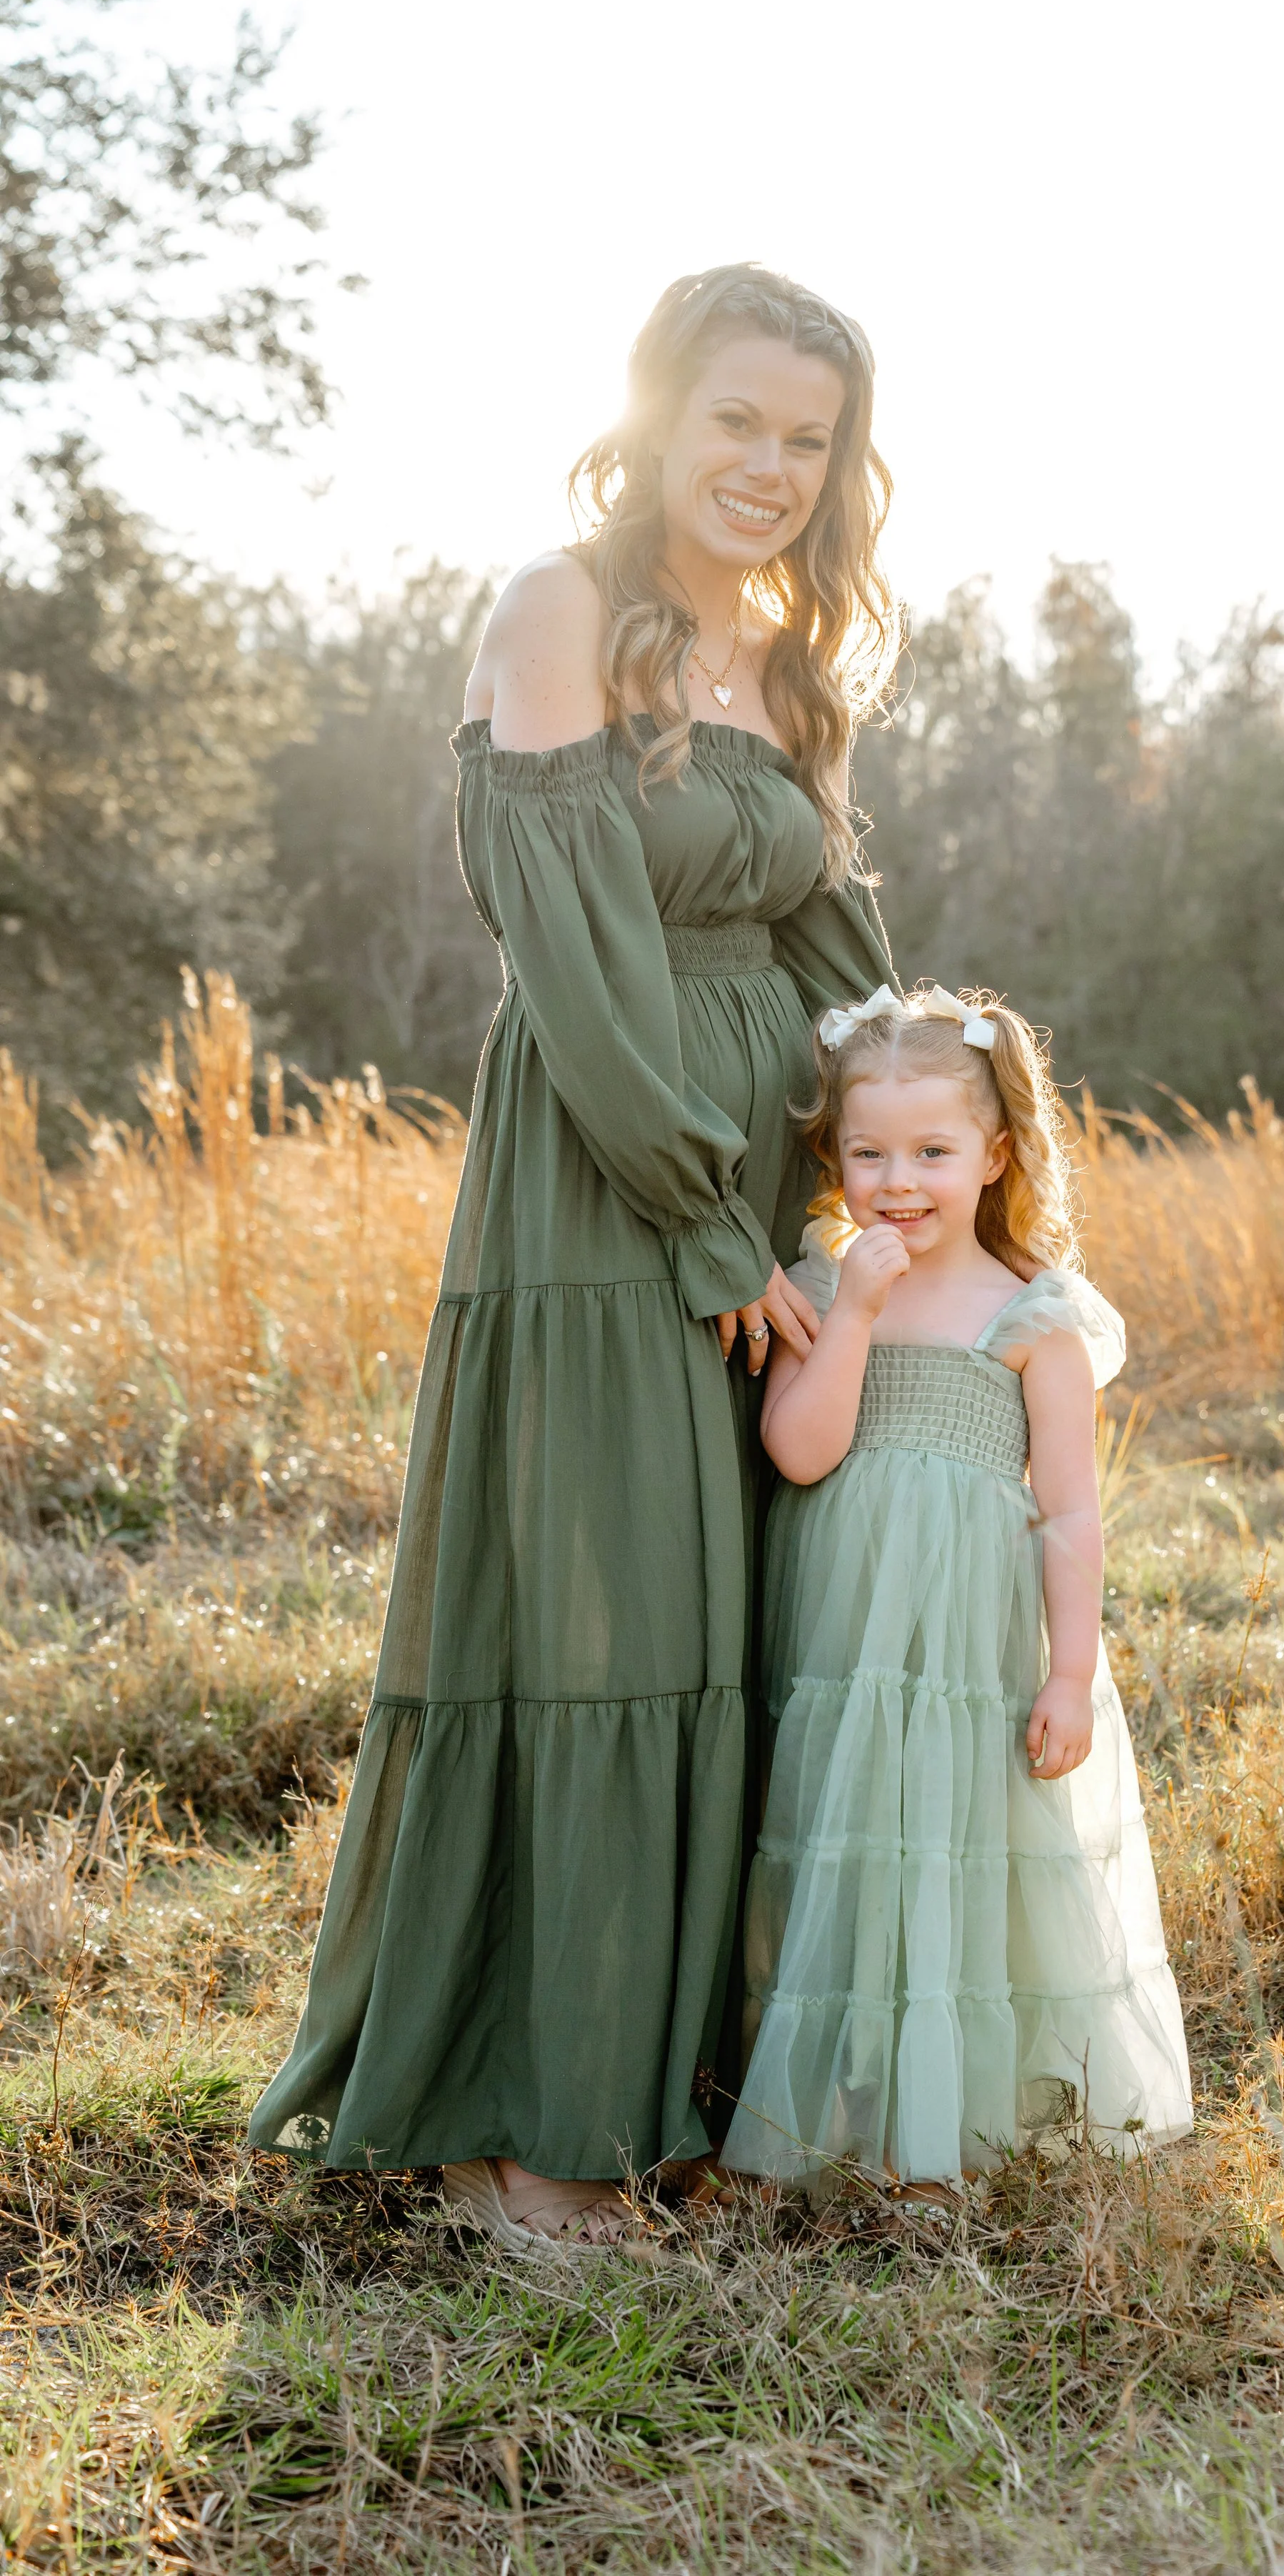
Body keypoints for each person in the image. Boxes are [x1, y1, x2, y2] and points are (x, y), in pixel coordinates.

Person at [249, 265, 901, 2248]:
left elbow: (822, 946)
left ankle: (652, 2092)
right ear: (656, 416)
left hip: (761, 1201)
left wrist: (906, 1168)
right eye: (737, 425)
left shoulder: (790, 656)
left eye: (809, 438)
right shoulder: (554, 614)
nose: (770, 470)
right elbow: (577, 957)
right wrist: (707, 1209)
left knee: (714, 1638)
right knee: (596, 1628)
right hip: (612, 1188)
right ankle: (522, 2136)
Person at [719, 984, 1194, 2198]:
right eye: (869, 1151)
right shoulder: (824, 1290)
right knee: (835, 1850)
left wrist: (1073, 1673)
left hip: (965, 1647)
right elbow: (800, 1450)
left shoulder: (1036, 1316)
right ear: (835, 1155)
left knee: (945, 1853)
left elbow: (1072, 1509)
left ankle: (937, 2143)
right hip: (837, 1634)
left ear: (994, 1153)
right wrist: (859, 1310)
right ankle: (819, 2114)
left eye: (932, 1150)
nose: (899, 1180)